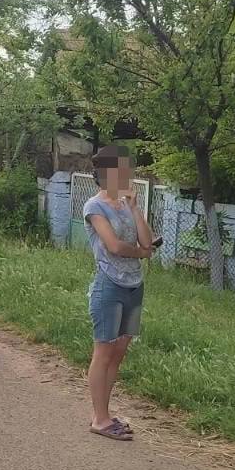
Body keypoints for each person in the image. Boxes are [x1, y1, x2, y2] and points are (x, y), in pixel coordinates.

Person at [82, 145, 156, 441]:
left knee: (120, 351)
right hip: (109, 286)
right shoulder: (93, 207)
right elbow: (114, 246)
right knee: (104, 351)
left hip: (134, 287)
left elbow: (148, 241)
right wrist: (140, 252)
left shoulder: (127, 205)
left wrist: (136, 209)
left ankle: (106, 413)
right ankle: (99, 419)